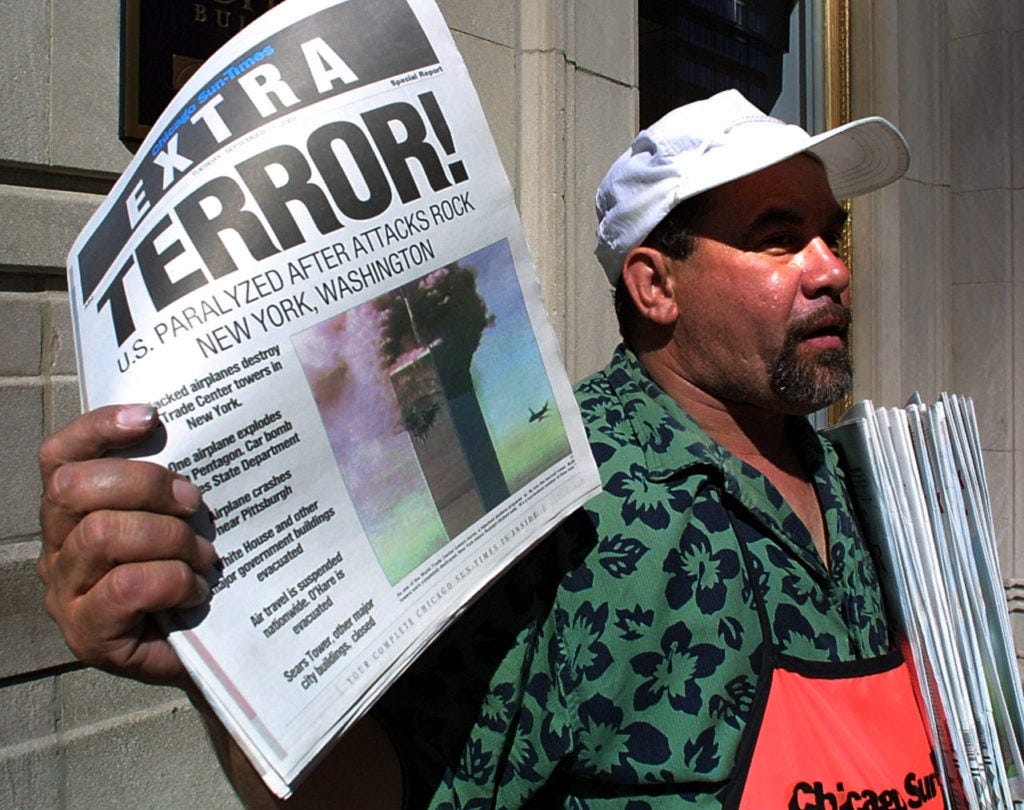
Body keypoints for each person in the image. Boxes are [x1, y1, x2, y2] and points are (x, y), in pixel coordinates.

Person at [37, 90, 943, 808]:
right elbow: (395, 783)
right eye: (780, 236)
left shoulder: (856, 474)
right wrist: (225, 668)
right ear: (656, 285)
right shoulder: (560, 503)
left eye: (833, 232)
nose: (831, 267)